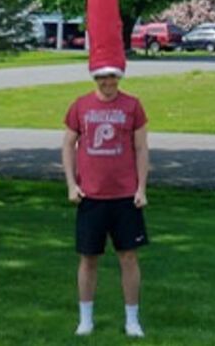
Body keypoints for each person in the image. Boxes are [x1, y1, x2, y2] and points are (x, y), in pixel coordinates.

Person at [62, 64, 149, 337]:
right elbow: (67, 144)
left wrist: (142, 188)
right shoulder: (81, 105)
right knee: (88, 259)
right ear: (95, 78)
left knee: (129, 257)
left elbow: (141, 148)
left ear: (118, 77)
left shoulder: (132, 106)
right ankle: (85, 320)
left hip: (125, 196)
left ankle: (132, 321)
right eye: (101, 77)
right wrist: (71, 185)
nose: (106, 82)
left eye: (111, 76)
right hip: (91, 197)